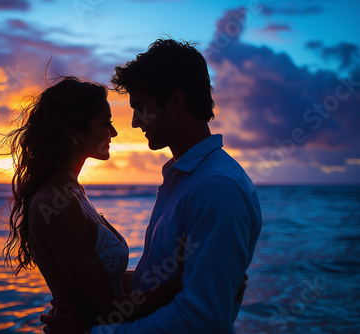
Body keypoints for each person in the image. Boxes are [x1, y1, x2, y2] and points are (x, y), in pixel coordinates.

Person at [41, 39, 262, 333]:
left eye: (141, 107)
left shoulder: (216, 188)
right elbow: (158, 282)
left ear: (176, 101)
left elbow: (201, 320)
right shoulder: (184, 179)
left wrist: (92, 333)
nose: (134, 122)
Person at [1, 76, 183, 331]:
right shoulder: (57, 203)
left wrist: (174, 272)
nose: (114, 132)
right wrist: (181, 283)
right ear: (74, 132)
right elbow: (110, 310)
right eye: (106, 123)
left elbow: (112, 282)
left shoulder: (72, 192)